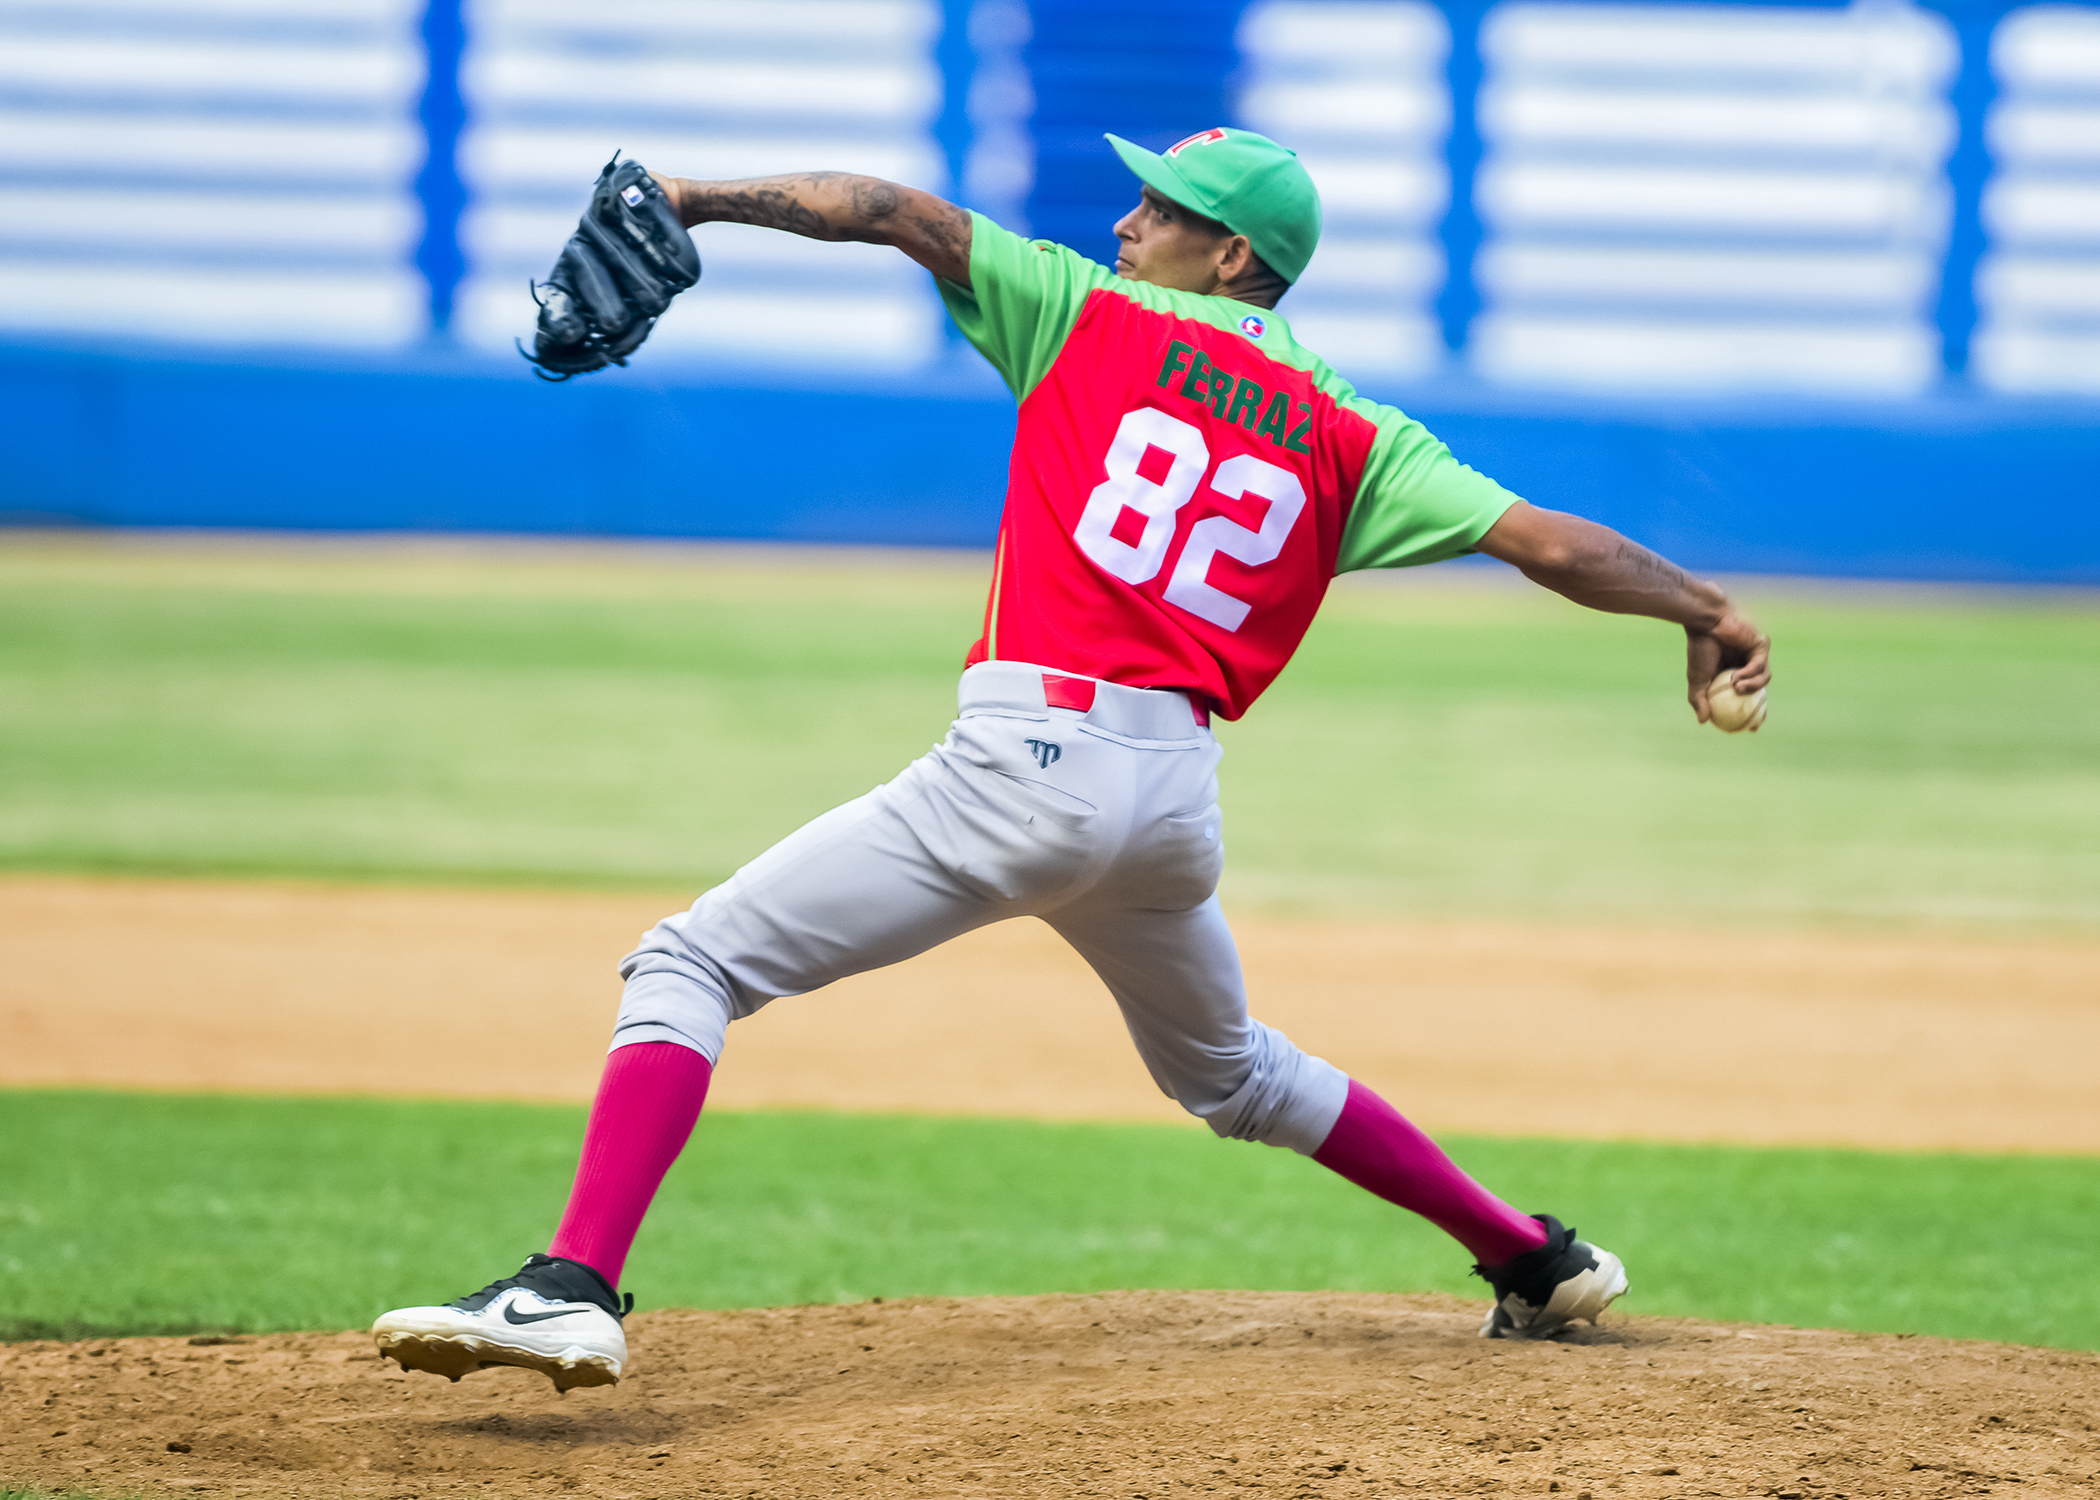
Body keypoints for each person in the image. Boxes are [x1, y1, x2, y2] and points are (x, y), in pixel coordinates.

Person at [372, 128, 1770, 1391]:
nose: (1125, 225)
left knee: (691, 964)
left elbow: (886, 210)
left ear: (1234, 256)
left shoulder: (1086, 314)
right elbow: (1554, 547)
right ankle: (1533, 1257)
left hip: (1025, 760)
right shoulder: (1358, 431)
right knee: (1233, 1074)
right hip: (1168, 798)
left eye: (1161, 209)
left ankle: (569, 1285)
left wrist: (694, 196)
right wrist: (1709, 610)